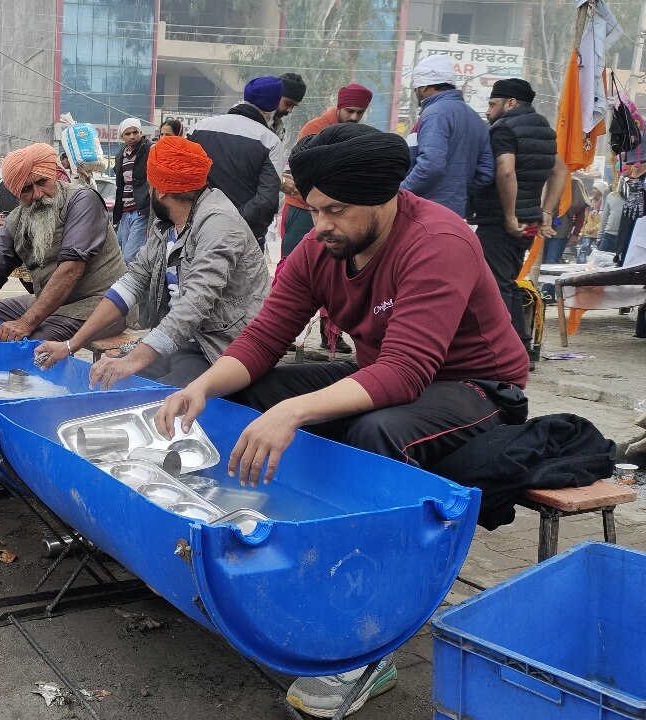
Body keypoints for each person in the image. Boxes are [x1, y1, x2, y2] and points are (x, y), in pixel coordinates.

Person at [155, 123, 529, 716]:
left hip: (475, 386)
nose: (320, 224)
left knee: (375, 432)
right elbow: (262, 340)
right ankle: (260, 547)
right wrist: (200, 387)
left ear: (385, 199)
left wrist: (295, 411)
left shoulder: (439, 240)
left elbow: (406, 373)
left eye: (335, 210)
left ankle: (368, 638)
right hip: (387, 371)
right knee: (256, 389)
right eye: (311, 208)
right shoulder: (321, 249)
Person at [35, 136, 269, 387]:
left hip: (223, 347)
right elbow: (131, 283)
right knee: (109, 384)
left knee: (155, 400)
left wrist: (133, 360)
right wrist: (71, 345)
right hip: (184, 341)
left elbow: (195, 304)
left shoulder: (219, 225)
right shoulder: (166, 226)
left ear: (162, 190)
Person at [0, 143, 128, 344]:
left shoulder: (82, 200)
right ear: (16, 192)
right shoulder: (15, 221)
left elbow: (70, 270)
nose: (38, 194)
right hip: (53, 304)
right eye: (26, 189)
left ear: (54, 176)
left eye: (42, 182)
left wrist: (24, 324)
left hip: (101, 303)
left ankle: (15, 374)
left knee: (33, 342)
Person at [468, 78, 564, 353]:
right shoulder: (544, 129)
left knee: (496, 285)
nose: (488, 111)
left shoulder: (504, 129)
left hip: (502, 221)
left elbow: (506, 170)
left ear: (510, 103)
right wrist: (545, 212)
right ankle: (518, 347)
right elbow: (561, 171)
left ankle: (512, 349)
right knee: (506, 281)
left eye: (492, 104)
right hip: (529, 222)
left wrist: (509, 216)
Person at [280, 83, 374, 354]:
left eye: (360, 113)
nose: (354, 117)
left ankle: (331, 334)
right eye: (350, 111)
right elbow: (297, 173)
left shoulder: (356, 133)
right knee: (293, 269)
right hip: (302, 208)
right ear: (338, 106)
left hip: (340, 212)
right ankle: (281, 330)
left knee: (337, 271)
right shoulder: (314, 128)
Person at [189, 76, 285, 248]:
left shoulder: (199, 128)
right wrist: (232, 223)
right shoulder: (270, 141)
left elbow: (183, 177)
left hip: (197, 230)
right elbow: (266, 199)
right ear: (272, 108)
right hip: (242, 239)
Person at [400, 55, 494, 218]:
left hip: (426, 212)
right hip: (456, 213)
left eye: (416, 88)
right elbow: (486, 173)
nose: (416, 92)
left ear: (424, 86)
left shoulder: (435, 113)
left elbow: (431, 165)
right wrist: (456, 191)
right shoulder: (474, 118)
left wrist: (400, 191)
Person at [113, 117, 151, 262]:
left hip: (141, 210)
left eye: (135, 132)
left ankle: (134, 284)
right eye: (127, 134)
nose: (132, 136)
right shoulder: (120, 156)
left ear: (140, 133)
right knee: (121, 254)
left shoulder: (149, 150)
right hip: (124, 212)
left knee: (130, 256)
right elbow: (120, 184)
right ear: (122, 136)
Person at [271, 72, 307, 145]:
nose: (290, 110)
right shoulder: (248, 119)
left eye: (293, 106)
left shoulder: (278, 128)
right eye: (288, 104)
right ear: (275, 95)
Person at [576, 180, 606, 263]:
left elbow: (604, 219)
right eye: (593, 188)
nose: (593, 190)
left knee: (595, 252)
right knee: (584, 248)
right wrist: (582, 230)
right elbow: (585, 218)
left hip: (598, 232)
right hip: (587, 231)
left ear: (601, 190)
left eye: (596, 188)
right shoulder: (590, 202)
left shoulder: (605, 202)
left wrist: (595, 228)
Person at [599, 172, 625, 252]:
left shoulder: (636, 197)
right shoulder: (611, 196)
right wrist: (599, 237)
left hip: (625, 237)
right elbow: (605, 218)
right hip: (608, 236)